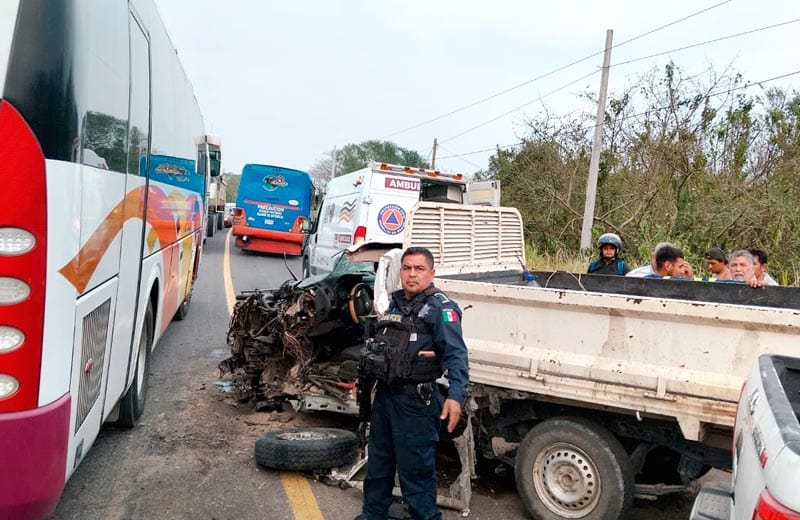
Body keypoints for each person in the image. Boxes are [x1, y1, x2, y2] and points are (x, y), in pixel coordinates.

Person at [358, 246, 469, 520]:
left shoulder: (441, 309)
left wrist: (456, 396)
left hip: (416, 403)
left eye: (419, 269)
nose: (412, 274)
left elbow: (456, 355)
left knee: (416, 472)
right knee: (379, 466)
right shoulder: (395, 305)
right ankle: (373, 515)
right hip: (385, 397)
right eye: (407, 268)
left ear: (431, 273)